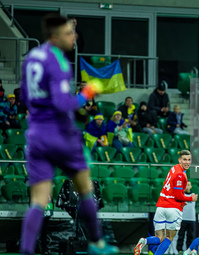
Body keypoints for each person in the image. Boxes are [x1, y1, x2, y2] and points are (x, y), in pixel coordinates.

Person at [19, 14, 118, 255]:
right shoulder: (58, 62)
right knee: (85, 187)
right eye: (68, 33)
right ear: (54, 37)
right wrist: (87, 92)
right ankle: (97, 243)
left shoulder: (31, 57)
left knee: (39, 200)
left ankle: (26, 250)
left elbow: (24, 97)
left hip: (36, 136)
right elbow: (64, 105)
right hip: (60, 134)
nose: (73, 37)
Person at [134, 150, 198, 255]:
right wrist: (191, 198)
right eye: (184, 159)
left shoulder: (174, 168)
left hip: (160, 207)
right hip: (172, 209)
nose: (187, 162)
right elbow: (178, 196)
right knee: (169, 237)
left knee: (159, 238)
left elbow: (173, 191)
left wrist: (182, 201)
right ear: (179, 160)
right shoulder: (180, 175)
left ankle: (145, 241)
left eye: (189, 160)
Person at [176, 181, 196, 254]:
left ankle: (189, 250)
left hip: (191, 219)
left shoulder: (194, 195)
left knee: (190, 236)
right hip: (183, 219)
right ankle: (179, 250)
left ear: (191, 186)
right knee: (181, 235)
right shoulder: (181, 195)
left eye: (189, 185)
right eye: (186, 185)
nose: (187, 186)